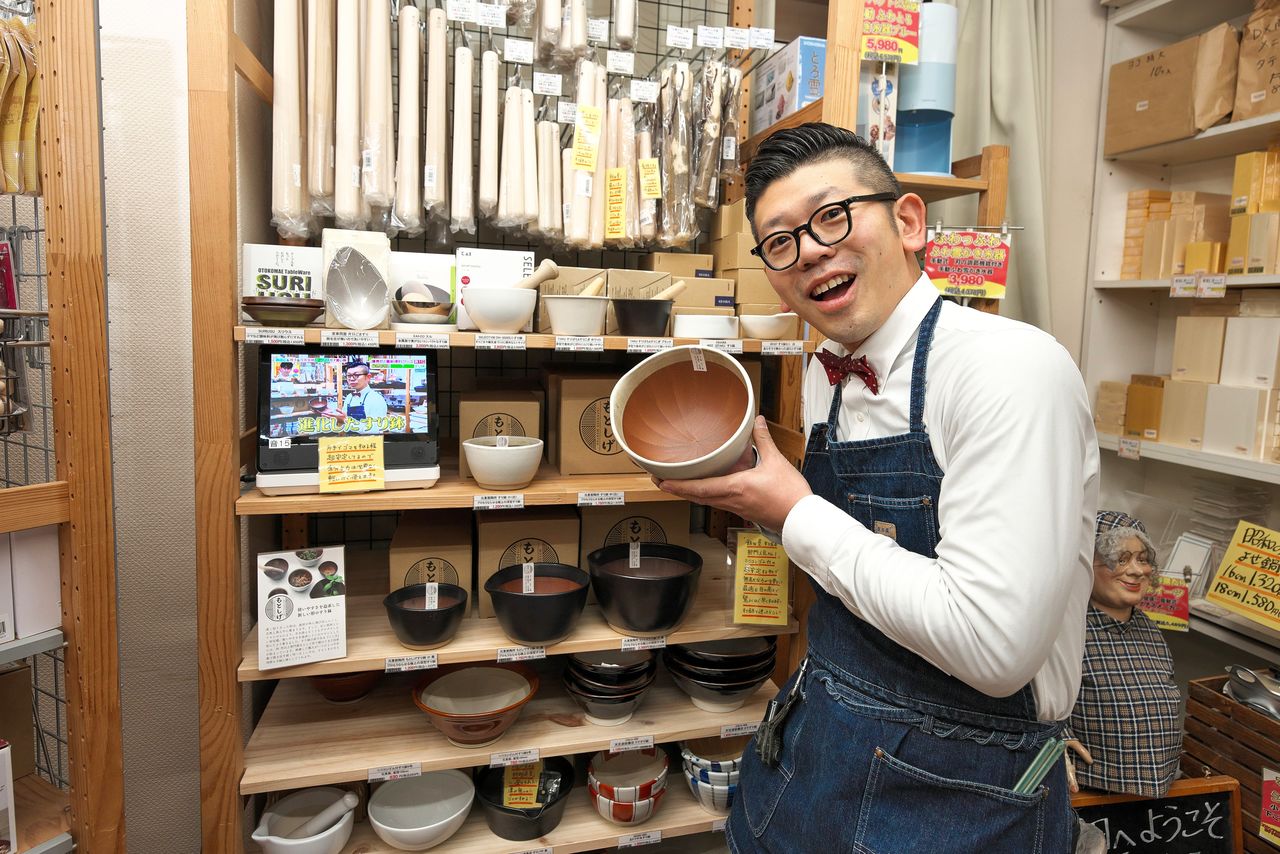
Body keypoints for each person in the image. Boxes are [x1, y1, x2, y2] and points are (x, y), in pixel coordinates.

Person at [656, 123, 1098, 853]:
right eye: (780, 242)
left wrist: (794, 511)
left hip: (960, 798)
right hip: (813, 758)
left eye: (833, 216)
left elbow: (994, 648)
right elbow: (856, 563)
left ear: (910, 221)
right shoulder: (829, 370)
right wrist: (754, 500)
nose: (811, 252)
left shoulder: (1010, 372)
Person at [1065, 510, 1182, 799]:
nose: (1136, 570)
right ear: (1086, 565)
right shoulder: (1066, 628)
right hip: (1091, 791)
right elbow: (1032, 701)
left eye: (1143, 559)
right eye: (1120, 559)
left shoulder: (1150, 631)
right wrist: (1056, 741)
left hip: (1158, 800)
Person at [326, 360, 388, 434]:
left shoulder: (376, 399)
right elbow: (344, 421)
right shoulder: (349, 397)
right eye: (349, 375)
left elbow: (376, 430)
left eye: (356, 375)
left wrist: (346, 420)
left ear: (368, 377)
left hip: (369, 444)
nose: (351, 379)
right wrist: (334, 416)